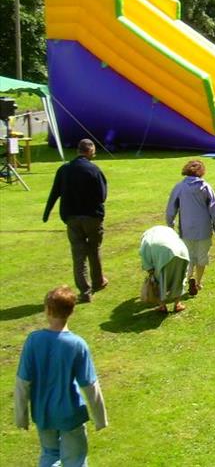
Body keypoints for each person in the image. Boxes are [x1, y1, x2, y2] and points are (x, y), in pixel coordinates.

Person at [14, 286, 108, 467]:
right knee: (75, 459)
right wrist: (100, 418)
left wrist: (21, 416)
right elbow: (90, 385)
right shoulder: (77, 344)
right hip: (70, 414)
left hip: (43, 413)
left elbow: (22, 382)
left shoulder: (34, 340)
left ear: (47, 310)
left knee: (49, 455)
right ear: (71, 311)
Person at [42, 139, 108, 303]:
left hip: (72, 218)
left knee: (78, 255)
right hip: (92, 217)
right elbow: (102, 196)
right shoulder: (94, 170)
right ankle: (98, 281)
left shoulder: (64, 170)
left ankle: (85, 292)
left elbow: (54, 193)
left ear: (78, 150)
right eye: (94, 150)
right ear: (89, 151)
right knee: (94, 250)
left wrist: (47, 212)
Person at [166, 160, 215, 295]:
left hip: (186, 229)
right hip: (204, 228)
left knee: (188, 256)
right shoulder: (206, 187)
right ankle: (198, 282)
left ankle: (186, 280)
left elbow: (171, 209)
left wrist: (170, 224)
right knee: (202, 256)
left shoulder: (179, 187)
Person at [139, 225, 190, 313]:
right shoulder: (167, 230)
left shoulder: (146, 239)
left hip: (165, 254)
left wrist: (151, 272)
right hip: (182, 252)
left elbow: (145, 259)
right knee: (179, 277)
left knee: (159, 280)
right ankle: (177, 304)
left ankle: (162, 305)